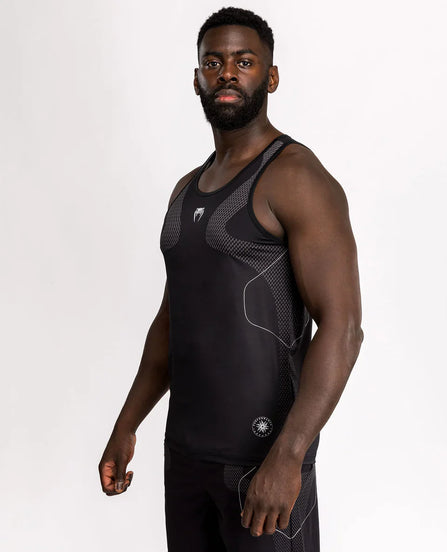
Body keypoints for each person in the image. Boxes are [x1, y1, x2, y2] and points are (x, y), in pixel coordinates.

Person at [98, 6, 364, 551]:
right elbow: (172, 321)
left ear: (271, 76)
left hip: (263, 464)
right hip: (187, 458)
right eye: (213, 62)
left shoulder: (296, 177)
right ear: (197, 78)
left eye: (244, 62)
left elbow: (343, 327)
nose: (226, 74)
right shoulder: (185, 189)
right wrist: (127, 425)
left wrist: (289, 456)